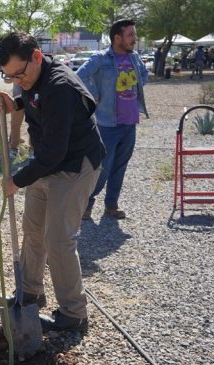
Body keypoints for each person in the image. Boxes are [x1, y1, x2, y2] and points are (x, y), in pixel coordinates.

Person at [0, 32, 105, 332]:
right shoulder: (31, 77)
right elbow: (31, 100)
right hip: (47, 162)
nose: (18, 81)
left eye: (19, 74)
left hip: (74, 165)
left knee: (59, 239)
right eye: (10, 77)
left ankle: (73, 313)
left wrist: (16, 181)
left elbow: (56, 153)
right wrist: (15, 105)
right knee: (32, 230)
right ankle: (30, 293)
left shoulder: (60, 87)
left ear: (37, 57)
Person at [76, 19, 149, 220]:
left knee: (120, 166)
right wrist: (94, 93)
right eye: (130, 35)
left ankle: (111, 206)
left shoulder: (134, 58)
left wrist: (135, 91)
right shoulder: (101, 58)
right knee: (102, 168)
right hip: (107, 124)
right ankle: (86, 204)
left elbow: (144, 73)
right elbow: (80, 75)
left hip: (129, 123)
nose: (134, 39)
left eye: (134, 34)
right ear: (117, 38)